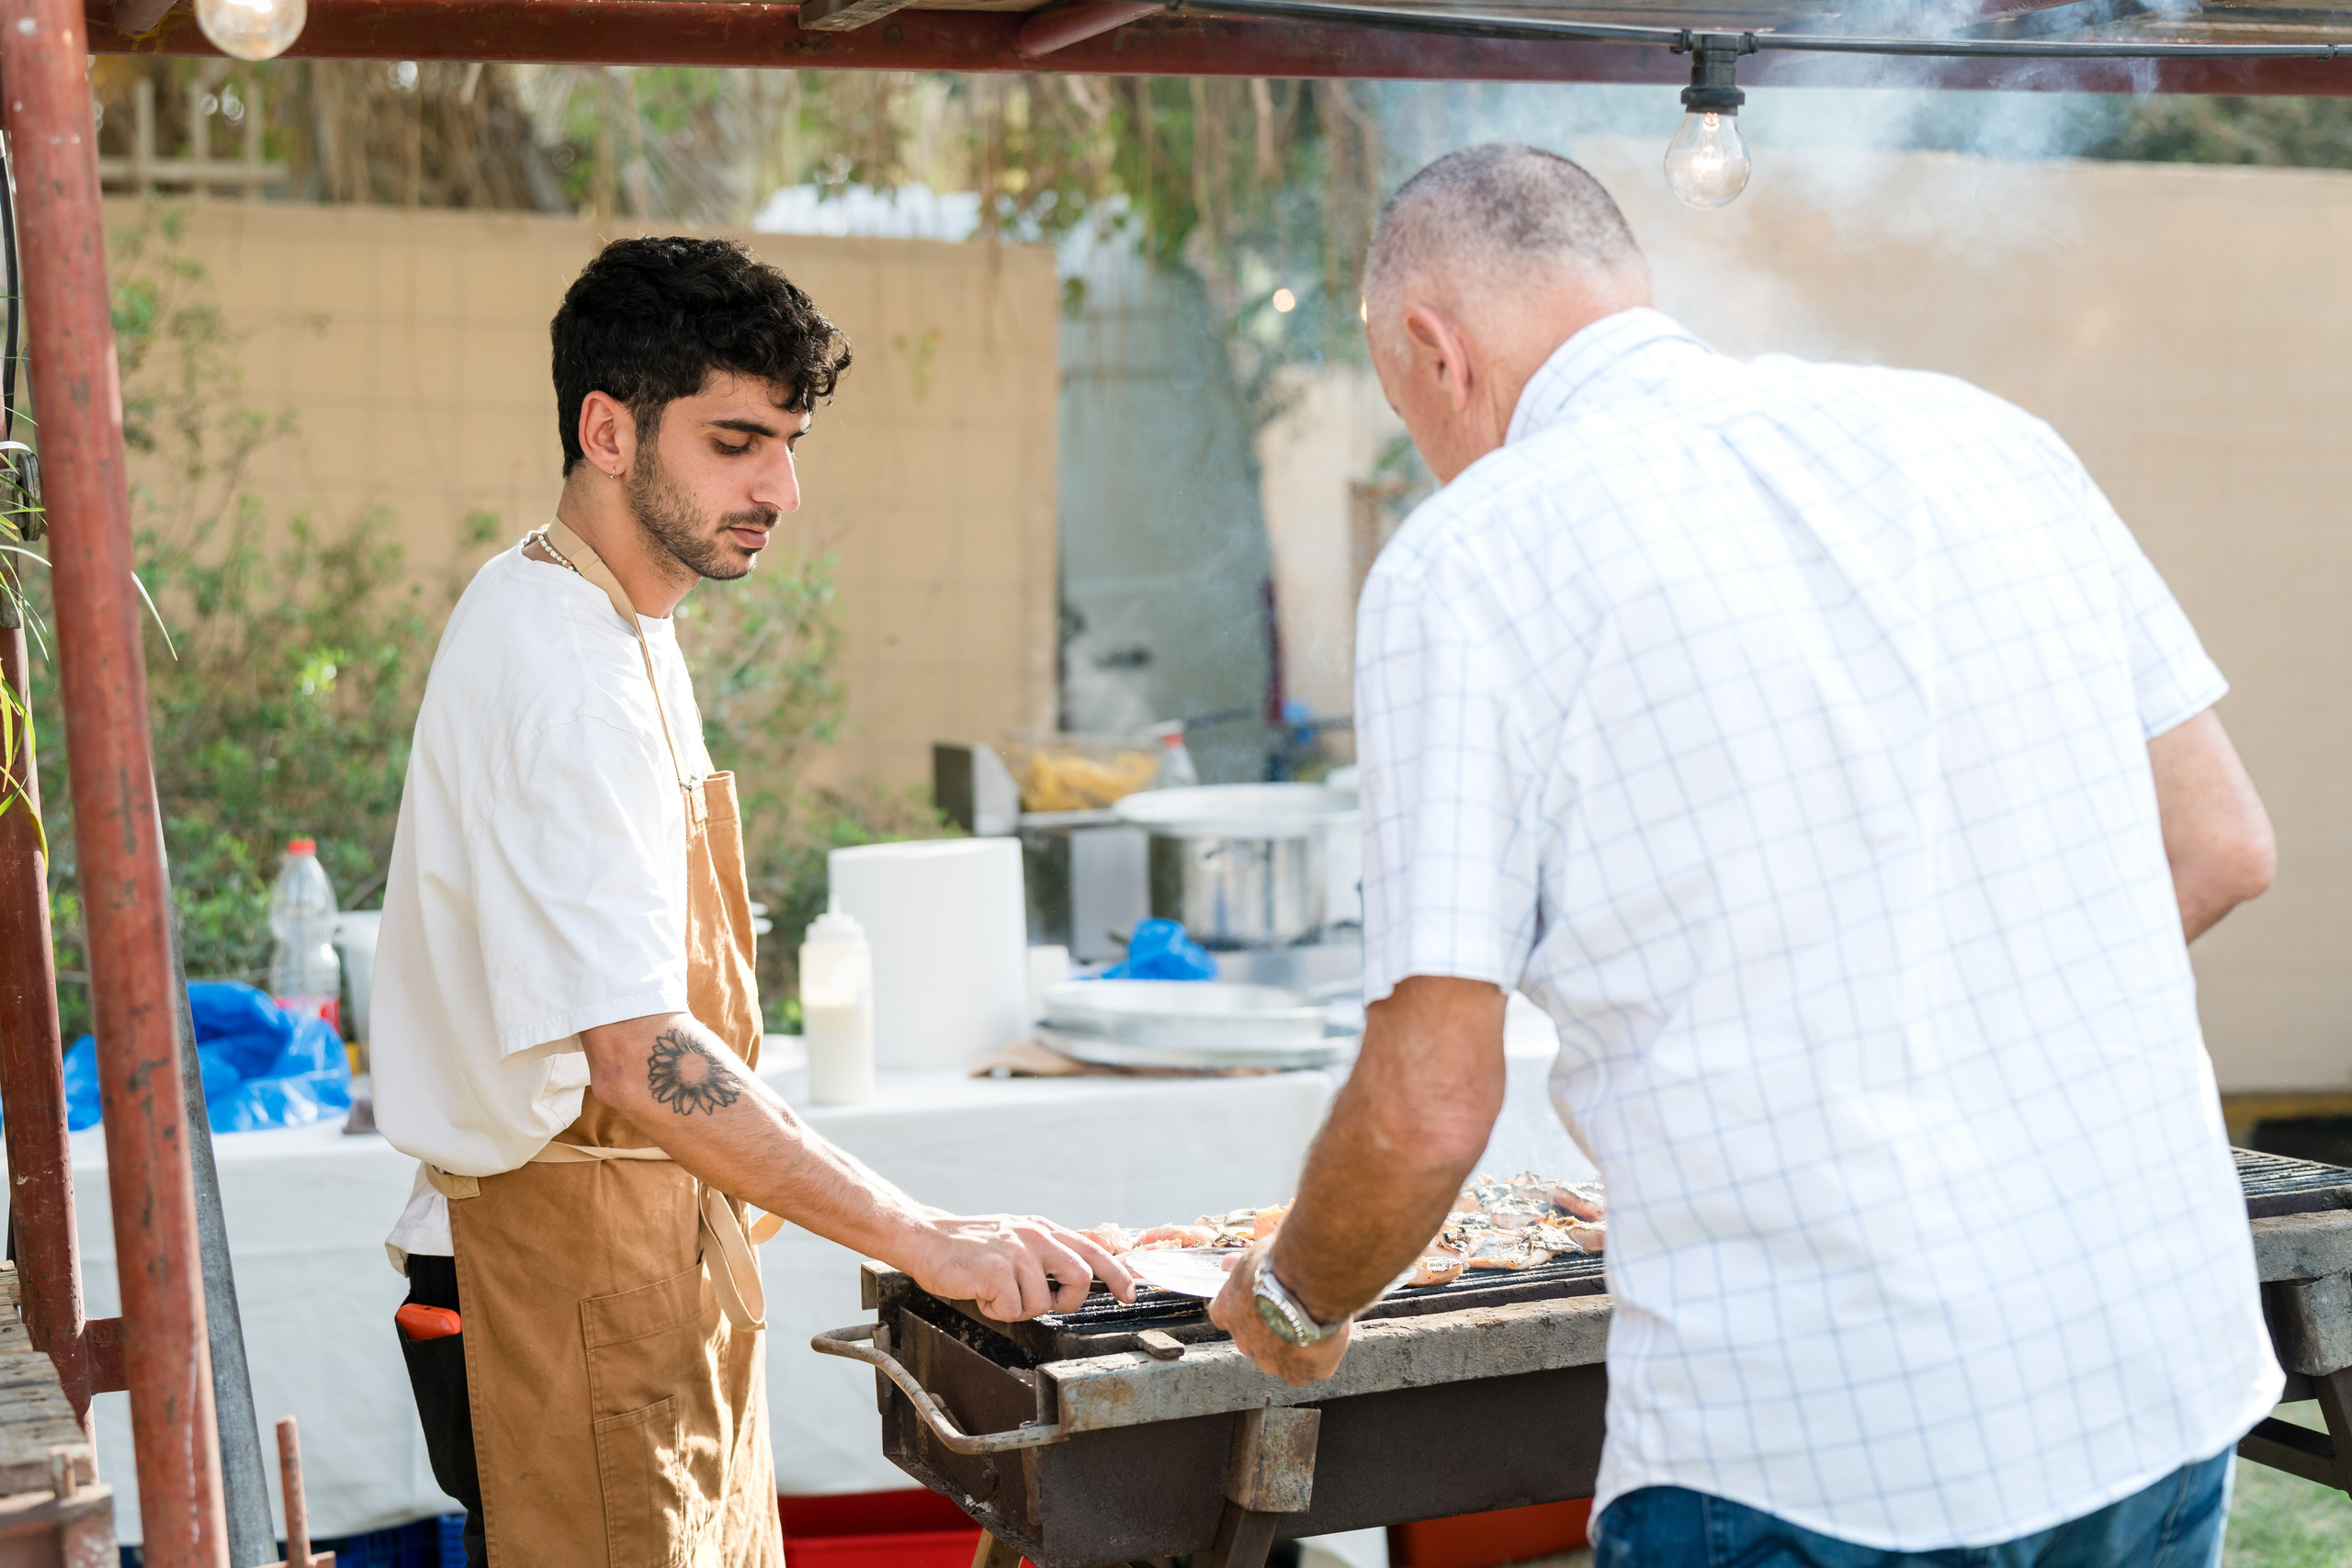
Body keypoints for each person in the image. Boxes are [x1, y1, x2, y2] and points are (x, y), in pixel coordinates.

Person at [1211, 145, 2279, 1568]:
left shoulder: (1468, 562)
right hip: (2149, 1358)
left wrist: (1295, 1300)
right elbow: (2218, 844)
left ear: (1431, 348)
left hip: (1820, 1435)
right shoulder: (1991, 438)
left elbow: (1426, 1109)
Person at [372, 237, 1132, 1568]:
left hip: (643, 1255)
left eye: (787, 441)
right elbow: (637, 1052)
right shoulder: (564, 670)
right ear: (607, 430)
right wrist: (924, 1237)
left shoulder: (618, 622)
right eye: (735, 442)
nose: (779, 486)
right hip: (561, 1280)